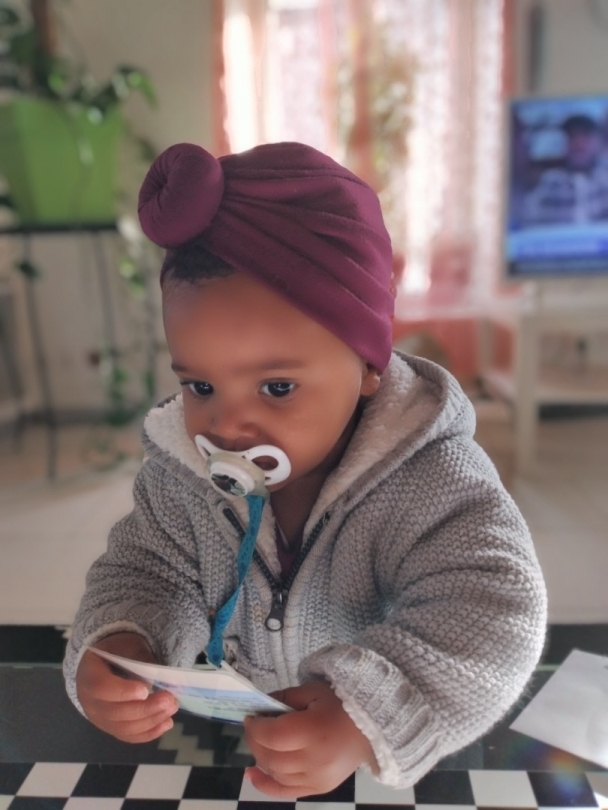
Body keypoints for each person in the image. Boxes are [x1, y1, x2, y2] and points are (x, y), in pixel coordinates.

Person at [64, 141, 547, 798]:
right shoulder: (181, 476)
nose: (227, 426)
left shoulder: (433, 478)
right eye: (200, 386)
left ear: (369, 364)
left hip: (382, 758)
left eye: (277, 388)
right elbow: (145, 571)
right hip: (235, 737)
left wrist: (361, 720)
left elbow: (493, 612)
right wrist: (123, 643)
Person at [522, 113, 608, 225]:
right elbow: (527, 224)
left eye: (585, 135)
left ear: (597, 141)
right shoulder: (549, 184)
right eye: (572, 136)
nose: (578, 143)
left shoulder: (605, 178)